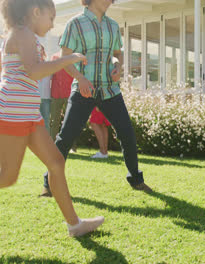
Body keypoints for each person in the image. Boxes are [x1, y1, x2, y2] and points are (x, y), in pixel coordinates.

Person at [0, 0, 104, 236]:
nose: (52, 24)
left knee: (56, 163)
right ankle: (75, 224)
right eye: (51, 17)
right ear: (35, 12)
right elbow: (35, 71)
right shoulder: (23, 33)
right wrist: (68, 59)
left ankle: (75, 225)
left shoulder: (21, 35)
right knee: (7, 177)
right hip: (14, 113)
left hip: (27, 113)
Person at [40, 0, 151, 197]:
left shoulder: (113, 26)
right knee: (65, 137)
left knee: (127, 133)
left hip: (110, 90)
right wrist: (80, 78)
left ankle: (136, 179)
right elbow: (65, 58)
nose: (111, 1)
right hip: (84, 89)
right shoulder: (75, 24)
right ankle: (49, 183)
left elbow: (117, 53)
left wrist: (118, 66)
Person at [50, 45, 77, 153]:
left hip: (69, 93)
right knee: (54, 121)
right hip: (56, 93)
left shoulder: (73, 58)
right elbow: (51, 75)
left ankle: (72, 147)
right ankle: (52, 145)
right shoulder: (54, 57)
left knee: (71, 121)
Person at [38, 44, 52, 134]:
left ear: (43, 52)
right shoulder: (32, 66)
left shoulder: (49, 65)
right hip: (34, 98)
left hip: (46, 98)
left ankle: (47, 143)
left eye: (41, 50)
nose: (39, 52)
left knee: (46, 121)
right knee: (34, 123)